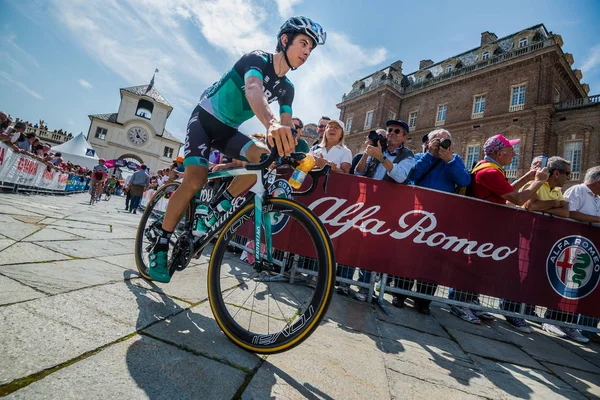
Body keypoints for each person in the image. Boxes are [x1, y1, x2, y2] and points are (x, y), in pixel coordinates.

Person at [148, 16, 327, 283]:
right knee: (195, 179)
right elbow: (254, 90)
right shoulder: (256, 59)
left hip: (228, 130)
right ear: (285, 40)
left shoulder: (287, 88)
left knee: (263, 158)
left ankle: (218, 206)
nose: (306, 52)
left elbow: (287, 129)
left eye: (310, 49)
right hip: (205, 120)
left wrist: (303, 156)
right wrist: (271, 123)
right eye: (303, 43)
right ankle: (161, 244)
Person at [449, 134, 549, 326]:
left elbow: (505, 190)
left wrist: (528, 177)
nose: (514, 153)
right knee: (474, 265)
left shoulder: (490, 169)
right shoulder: (490, 172)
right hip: (482, 225)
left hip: (484, 224)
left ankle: (469, 300)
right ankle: (458, 302)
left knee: (481, 265)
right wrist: (539, 181)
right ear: (500, 152)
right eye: (511, 150)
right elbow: (518, 199)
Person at [404, 129, 470, 314]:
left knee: (432, 260)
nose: (441, 144)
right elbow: (412, 176)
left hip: (440, 218)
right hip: (415, 215)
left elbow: (464, 180)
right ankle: (400, 293)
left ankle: (423, 301)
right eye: (437, 140)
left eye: (445, 141)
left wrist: (449, 160)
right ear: (429, 142)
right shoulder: (419, 157)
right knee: (410, 256)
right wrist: (429, 156)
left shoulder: (454, 159)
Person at [349, 119, 416, 301]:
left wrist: (381, 157)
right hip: (368, 204)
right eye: (389, 130)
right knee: (361, 243)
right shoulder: (379, 149)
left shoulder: (409, 155)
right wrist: (366, 152)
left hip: (388, 208)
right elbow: (359, 172)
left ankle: (367, 288)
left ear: (404, 137)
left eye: (397, 131)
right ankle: (354, 284)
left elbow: (401, 176)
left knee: (375, 248)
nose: (392, 133)